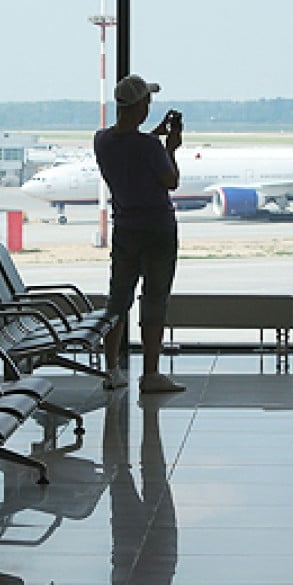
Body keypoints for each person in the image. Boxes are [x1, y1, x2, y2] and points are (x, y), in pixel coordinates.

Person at [94, 74, 185, 394]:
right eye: (147, 101)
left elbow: (128, 149)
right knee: (154, 299)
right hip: (158, 229)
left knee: (118, 299)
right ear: (139, 106)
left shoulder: (101, 141)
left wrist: (153, 138)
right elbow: (171, 181)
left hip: (125, 228)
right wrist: (170, 149)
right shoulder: (150, 147)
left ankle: (112, 369)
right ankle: (150, 373)